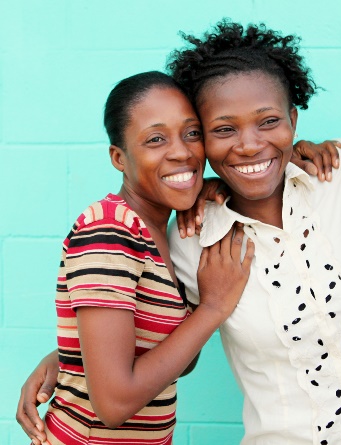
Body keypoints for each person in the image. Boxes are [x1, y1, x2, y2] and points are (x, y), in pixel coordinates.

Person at [17, 21, 341, 445]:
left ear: (293, 119)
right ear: (205, 139)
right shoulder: (195, 237)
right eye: (223, 129)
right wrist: (71, 356)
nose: (249, 145)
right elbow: (167, 346)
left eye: (268, 122)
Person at [25, 71, 255, 445]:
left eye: (192, 132)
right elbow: (114, 405)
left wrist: (70, 357)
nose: (182, 151)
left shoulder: (158, 233)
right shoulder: (110, 232)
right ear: (119, 157)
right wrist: (213, 307)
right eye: (155, 139)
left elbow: (177, 360)